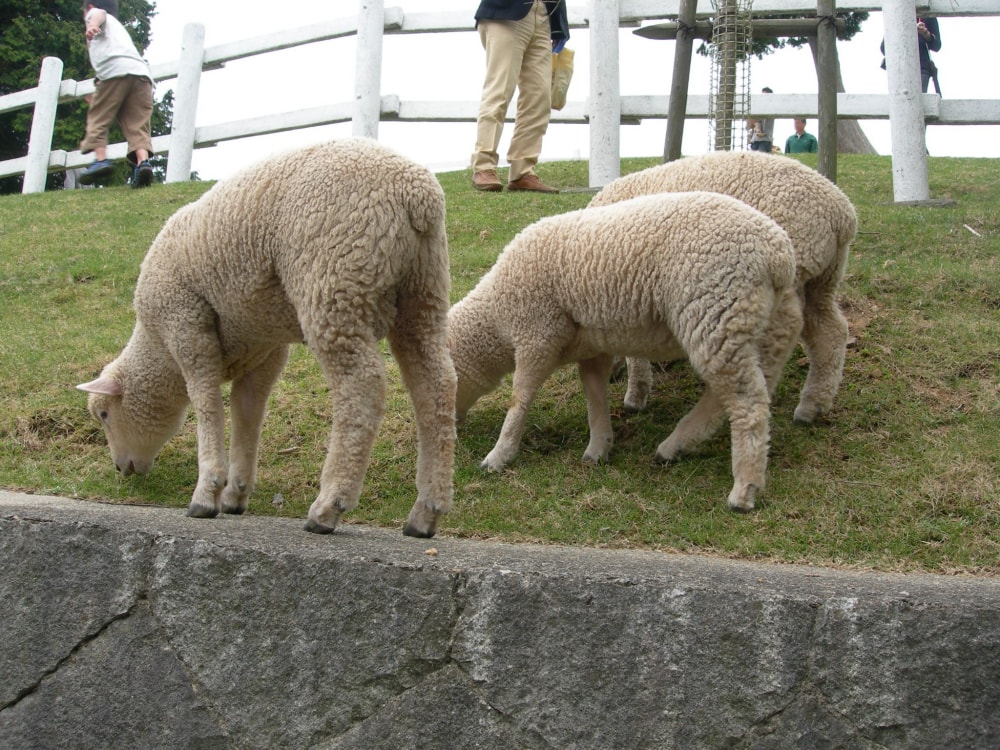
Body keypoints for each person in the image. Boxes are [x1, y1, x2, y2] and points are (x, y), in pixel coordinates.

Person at [471, 0, 569, 193]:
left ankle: (522, 171)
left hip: (543, 16)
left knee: (540, 97)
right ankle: (483, 166)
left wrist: (559, 26)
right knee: (499, 91)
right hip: (505, 14)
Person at [78, 0, 155, 188]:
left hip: (114, 72)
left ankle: (101, 160)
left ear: (88, 7)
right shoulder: (119, 29)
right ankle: (143, 163)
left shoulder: (95, 13)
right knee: (137, 124)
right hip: (141, 75)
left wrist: (93, 24)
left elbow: (99, 14)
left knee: (98, 117)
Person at [881, 15, 941, 94]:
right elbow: (884, 47)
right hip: (901, 68)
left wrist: (926, 35)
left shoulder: (928, 16)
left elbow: (936, 46)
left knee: (914, 101)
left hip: (919, 68)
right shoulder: (897, 16)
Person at [747, 87, 774, 153]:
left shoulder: (772, 107)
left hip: (765, 140)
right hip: (754, 140)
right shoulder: (756, 108)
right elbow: (749, 125)